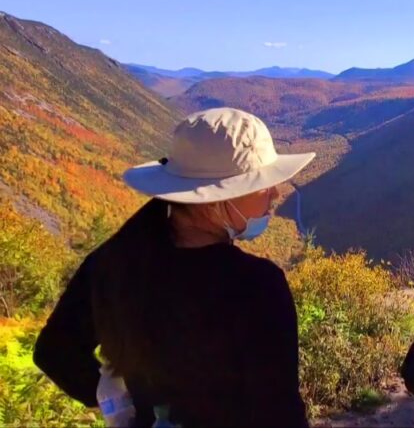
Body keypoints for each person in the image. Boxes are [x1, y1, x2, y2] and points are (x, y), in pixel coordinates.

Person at [33, 108, 315, 427]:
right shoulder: (257, 285)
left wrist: (122, 402)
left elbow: (54, 351)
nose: (275, 192)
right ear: (215, 200)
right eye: (262, 185)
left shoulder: (114, 262)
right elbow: (279, 411)